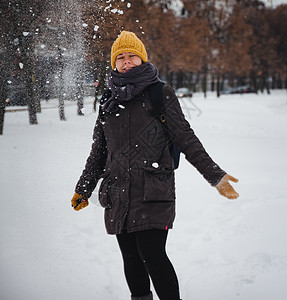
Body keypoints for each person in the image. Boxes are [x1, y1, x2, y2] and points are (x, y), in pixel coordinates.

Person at [71, 30, 239, 300]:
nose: (127, 62)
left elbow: (185, 138)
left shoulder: (160, 93)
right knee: (131, 257)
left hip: (153, 192)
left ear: (142, 59)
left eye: (132, 57)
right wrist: (84, 188)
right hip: (119, 193)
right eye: (121, 58)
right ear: (114, 63)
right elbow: (99, 151)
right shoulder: (108, 101)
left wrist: (215, 177)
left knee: (152, 254)